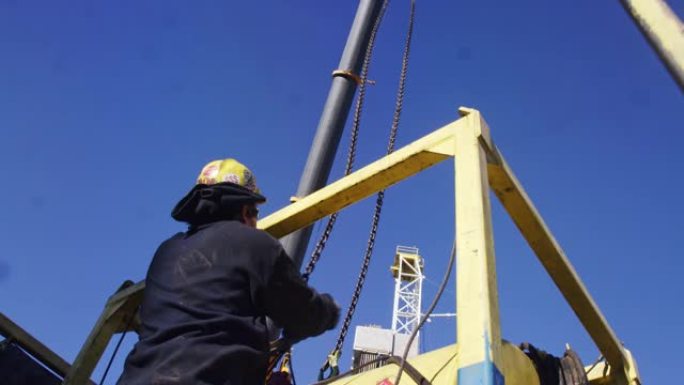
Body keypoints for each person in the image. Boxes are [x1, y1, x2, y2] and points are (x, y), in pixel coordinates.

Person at [117, 158, 340, 385]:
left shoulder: (165, 253)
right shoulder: (254, 244)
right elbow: (303, 314)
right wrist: (329, 310)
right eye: (255, 214)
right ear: (245, 210)